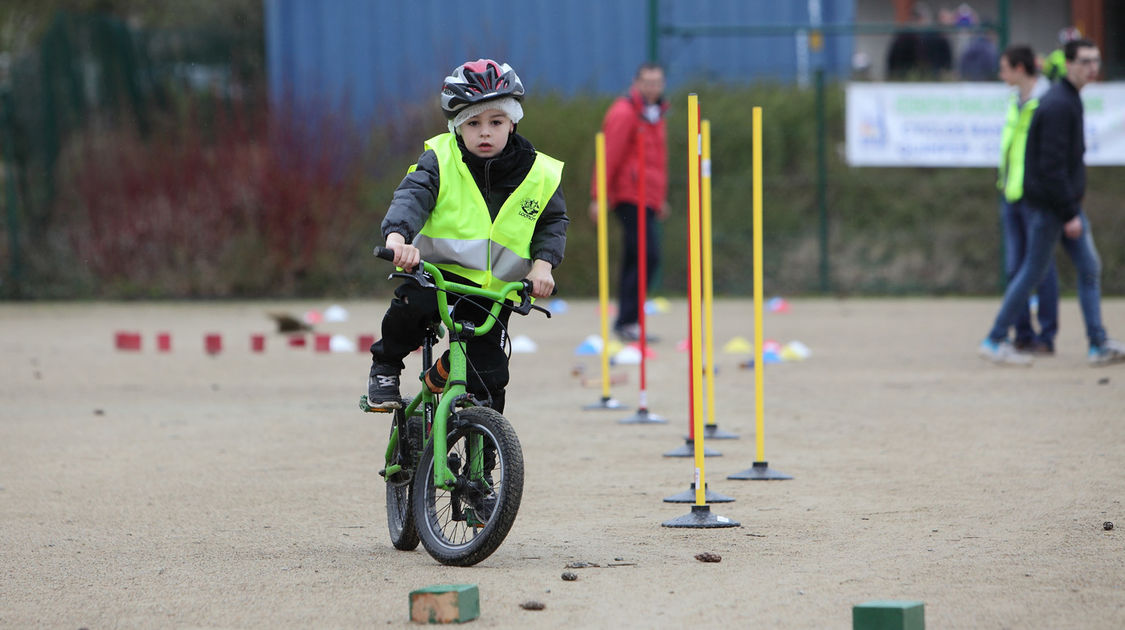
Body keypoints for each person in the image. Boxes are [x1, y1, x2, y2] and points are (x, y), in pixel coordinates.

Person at [367, 59, 568, 411]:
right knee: (410, 309)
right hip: (436, 277)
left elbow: (552, 223)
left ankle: (488, 452)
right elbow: (412, 197)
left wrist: (543, 266)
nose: (485, 132)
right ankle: (385, 366)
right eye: (473, 123)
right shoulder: (440, 159)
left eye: (496, 121)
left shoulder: (539, 173)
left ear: (513, 122)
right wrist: (398, 239)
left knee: (490, 371)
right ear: (457, 127)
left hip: (493, 292)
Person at [979, 39, 1125, 366]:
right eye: (1085, 61)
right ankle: (996, 337)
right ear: (1069, 64)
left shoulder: (1066, 100)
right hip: (1051, 208)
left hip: (1058, 205)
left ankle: (1098, 343)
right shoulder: (1060, 104)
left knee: (1087, 268)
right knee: (1032, 271)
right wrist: (1070, 212)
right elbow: (1051, 167)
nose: (1092, 68)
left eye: (1096, 61)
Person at [588, 62, 669, 342]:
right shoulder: (624, 112)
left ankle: (628, 321)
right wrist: (598, 196)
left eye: (657, 82)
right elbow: (608, 154)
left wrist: (660, 199)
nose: (652, 87)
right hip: (628, 195)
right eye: (647, 82)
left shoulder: (656, 114)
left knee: (637, 257)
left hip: (647, 197)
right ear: (636, 82)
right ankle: (628, 320)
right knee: (647, 255)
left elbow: (656, 162)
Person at [996, 44, 1057, 355]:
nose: (1000, 74)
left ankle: (1046, 336)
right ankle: (1022, 334)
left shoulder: (1046, 102)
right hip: (1011, 194)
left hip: (1035, 197)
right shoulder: (1014, 101)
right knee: (1015, 269)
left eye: (1004, 67)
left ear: (1020, 68)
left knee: (1041, 269)